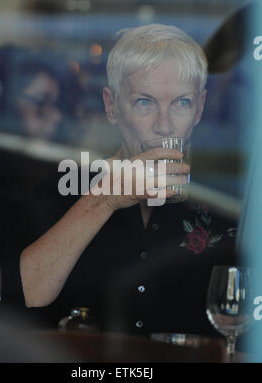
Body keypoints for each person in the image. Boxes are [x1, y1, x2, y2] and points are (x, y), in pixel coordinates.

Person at [20, 24, 237, 335]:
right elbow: (27, 296)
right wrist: (105, 198)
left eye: (182, 103)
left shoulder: (222, 205)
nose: (164, 125)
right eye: (144, 102)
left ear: (200, 108)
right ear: (111, 106)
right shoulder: (64, 187)